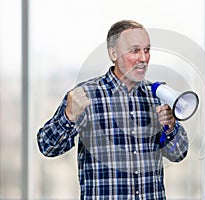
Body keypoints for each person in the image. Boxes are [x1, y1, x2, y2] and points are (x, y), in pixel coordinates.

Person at [37, 20, 189, 200]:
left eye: (147, 50)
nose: (143, 58)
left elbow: (179, 154)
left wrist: (170, 127)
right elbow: (47, 146)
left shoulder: (158, 95)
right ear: (113, 53)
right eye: (135, 50)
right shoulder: (86, 95)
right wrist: (68, 116)